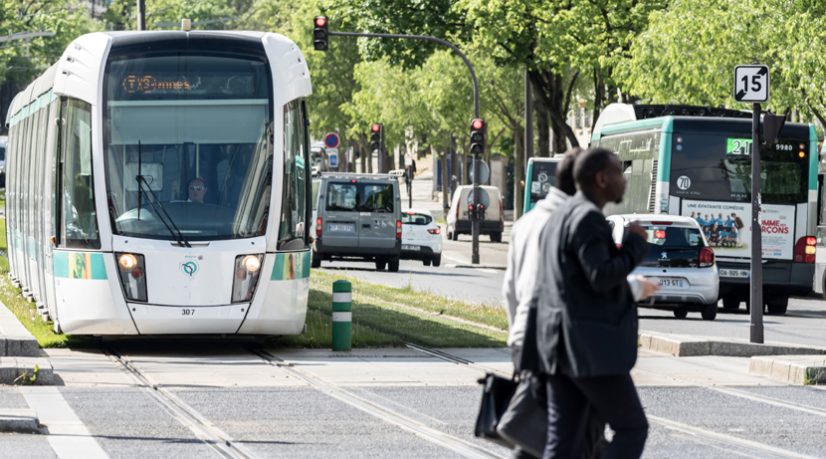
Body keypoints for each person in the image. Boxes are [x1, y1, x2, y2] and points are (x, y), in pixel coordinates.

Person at [503, 148, 657, 459]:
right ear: (601, 179)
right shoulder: (587, 217)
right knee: (632, 428)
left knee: (562, 443)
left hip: (557, 348)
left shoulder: (558, 217)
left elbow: (572, 281)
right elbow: (601, 276)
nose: (623, 180)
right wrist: (635, 244)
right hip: (588, 348)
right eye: (618, 173)